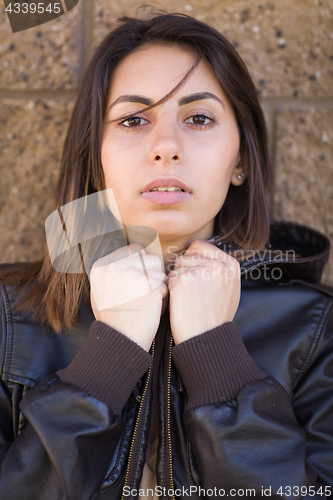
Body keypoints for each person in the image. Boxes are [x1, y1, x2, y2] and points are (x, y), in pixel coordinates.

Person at [0, 10, 332, 500]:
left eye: (198, 118)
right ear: (96, 157)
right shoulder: (10, 317)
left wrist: (219, 359)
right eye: (134, 119)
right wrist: (105, 362)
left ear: (240, 159)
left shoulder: (317, 328)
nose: (166, 147)